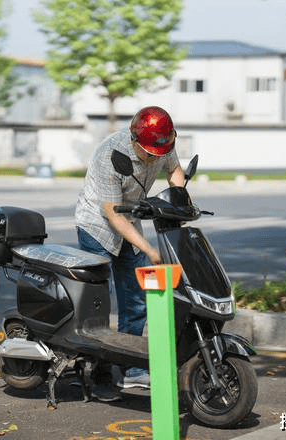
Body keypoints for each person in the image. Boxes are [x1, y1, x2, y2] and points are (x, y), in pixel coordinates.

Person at [75, 106, 185, 396]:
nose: (154, 158)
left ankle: (129, 369)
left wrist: (180, 197)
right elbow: (113, 215)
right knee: (97, 302)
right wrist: (149, 249)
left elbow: (175, 171)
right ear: (135, 140)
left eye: (159, 152)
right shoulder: (110, 156)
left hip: (131, 221)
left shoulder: (161, 143)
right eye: (149, 153)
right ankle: (96, 371)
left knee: (135, 298)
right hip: (97, 226)